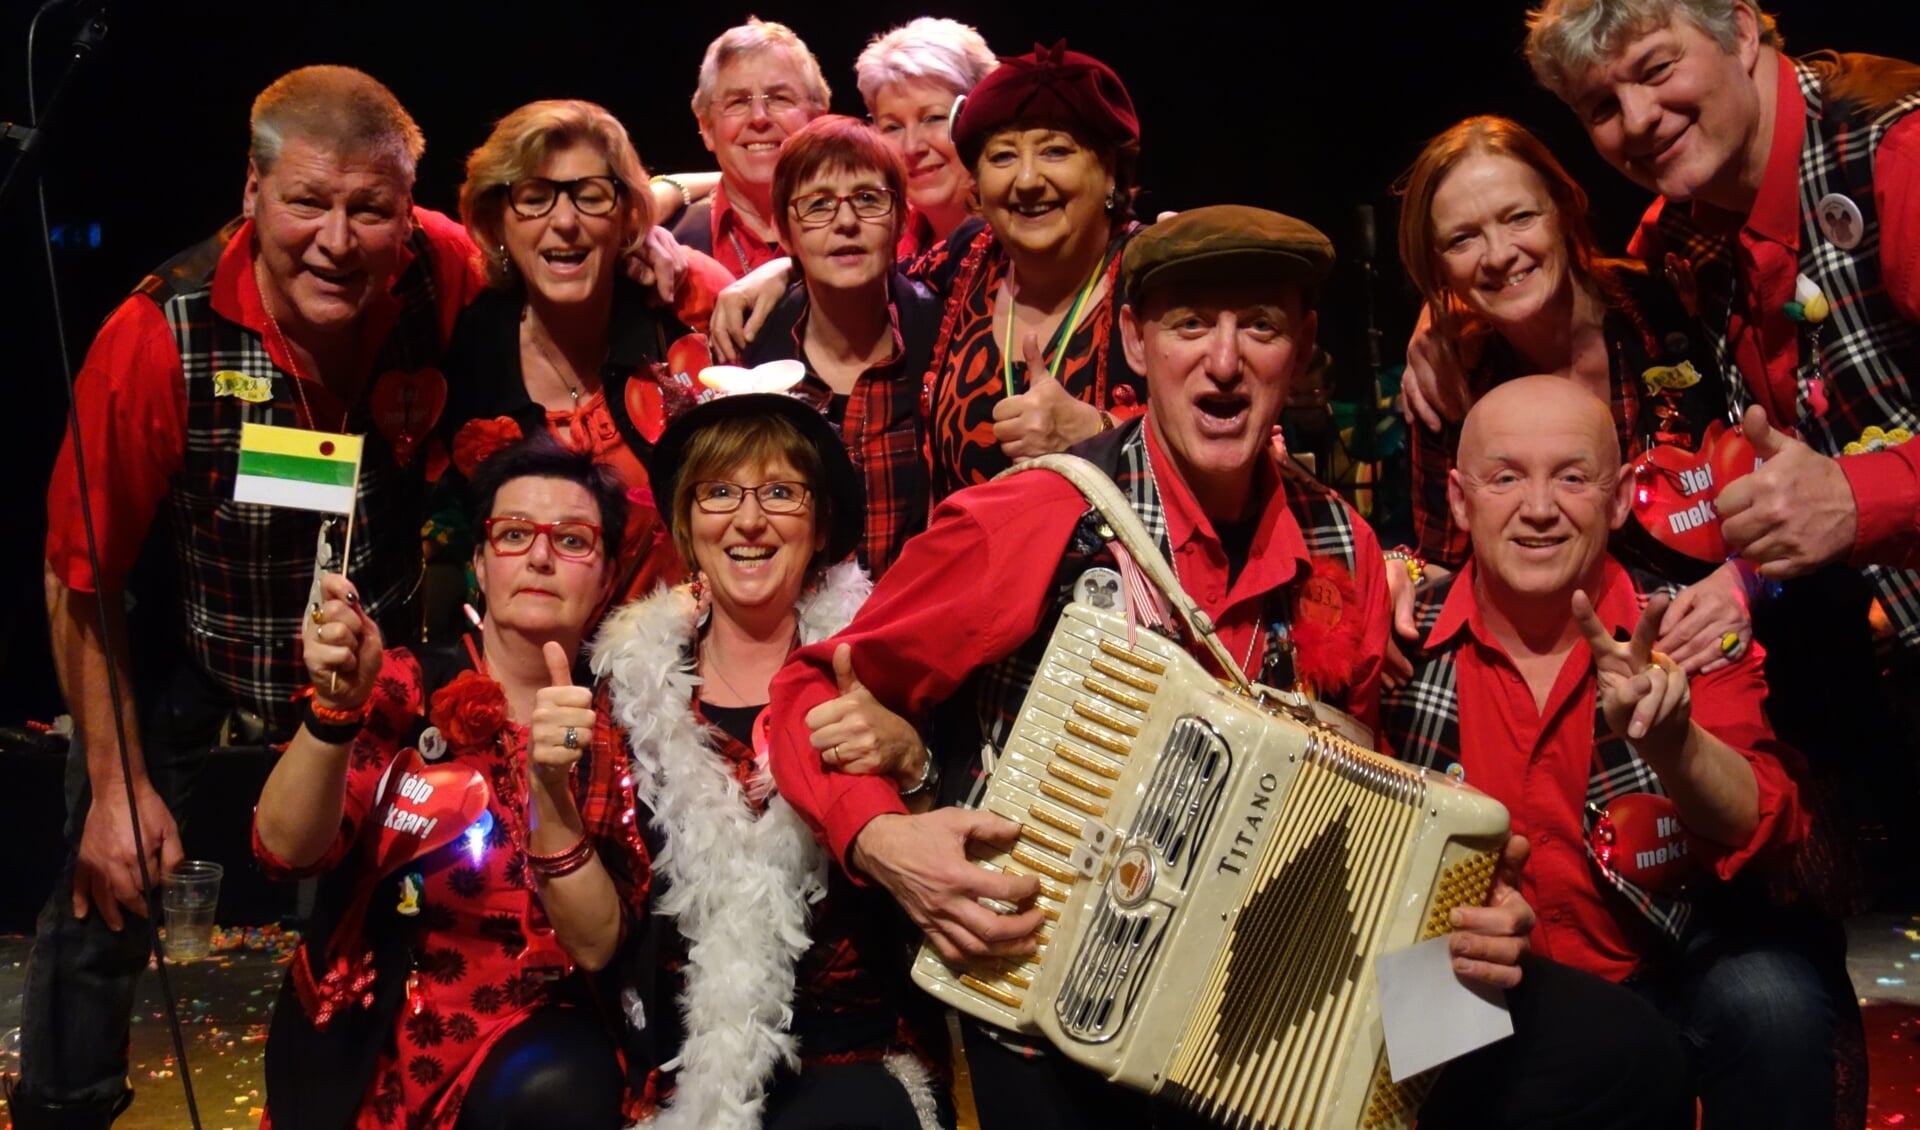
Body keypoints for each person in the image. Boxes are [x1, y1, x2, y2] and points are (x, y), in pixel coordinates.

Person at [767, 206, 1692, 1130]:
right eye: (1189, 325)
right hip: (1064, 1006)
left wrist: (1467, 913)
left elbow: (1385, 810)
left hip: (1293, 1000)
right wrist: (885, 845)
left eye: (1259, 325)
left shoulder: (1346, 542)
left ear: (1301, 347)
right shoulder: (1036, 518)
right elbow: (810, 685)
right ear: (1135, 341)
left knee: (1618, 1052)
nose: (1224, 361)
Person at [19, 65, 486, 1128]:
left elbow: (578, 228)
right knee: (104, 882)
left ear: (406, 211)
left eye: (371, 209)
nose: (338, 238)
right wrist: (113, 782)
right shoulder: (154, 336)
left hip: (374, 651)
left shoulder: (444, 271)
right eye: (307, 202)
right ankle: (59, 1108)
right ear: (252, 193)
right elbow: (75, 574)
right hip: (202, 637)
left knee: (414, 893)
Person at [1381, 374, 1835, 1129]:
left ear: (1621, 495)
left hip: (1666, 968)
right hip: (1477, 980)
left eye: (1571, 477)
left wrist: (1675, 744)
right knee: (1398, 1015)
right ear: (1459, 501)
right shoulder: (1400, 639)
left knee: (1772, 1002)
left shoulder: (1683, 626)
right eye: (1505, 478)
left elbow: (1763, 819)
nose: (1537, 508)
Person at [254, 435, 650, 1129]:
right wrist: (334, 714)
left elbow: (598, 945)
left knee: (563, 1088)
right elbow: (285, 851)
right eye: (514, 533)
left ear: (610, 576)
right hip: (378, 1040)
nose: (538, 557)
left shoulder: (633, 720)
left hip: (546, 1050)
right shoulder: (402, 682)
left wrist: (551, 790)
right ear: (478, 562)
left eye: (574, 540)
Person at [593, 387, 948, 1130]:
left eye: (780, 492)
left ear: (820, 528)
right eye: (719, 492)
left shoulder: (878, 668)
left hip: (853, 1055)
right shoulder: (630, 692)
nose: (748, 520)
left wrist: (912, 764)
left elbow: (944, 877)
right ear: (688, 526)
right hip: (676, 1066)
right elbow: (606, 926)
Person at [1392, 115, 1750, 675]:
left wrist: (1749, 583)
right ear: (1436, 262)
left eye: (1520, 217)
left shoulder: (1673, 310)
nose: (1498, 254)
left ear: (1563, 208)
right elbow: (1443, 563)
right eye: (1462, 238)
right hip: (1573, 685)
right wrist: (1396, 575)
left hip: (1748, 658)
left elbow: (1796, 464)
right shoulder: (1452, 380)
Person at [442, 98, 732, 613]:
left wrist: (776, 277)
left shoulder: (685, 305)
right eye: (534, 197)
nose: (565, 222)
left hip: (688, 666)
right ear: (497, 222)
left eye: (590, 196)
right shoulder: (466, 351)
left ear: (626, 217)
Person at [740, 114, 944, 577]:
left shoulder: (944, 338)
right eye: (817, 205)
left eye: (869, 200)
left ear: (901, 221)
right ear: (784, 231)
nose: (846, 221)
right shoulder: (751, 356)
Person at [672, 18, 832, 278]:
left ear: (817, 120)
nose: (759, 118)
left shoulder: (870, 232)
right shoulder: (665, 244)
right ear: (708, 129)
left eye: (780, 98)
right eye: (737, 101)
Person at [855, 17, 999, 263]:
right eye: (893, 127)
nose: (912, 147)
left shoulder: (1019, 242)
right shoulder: (884, 240)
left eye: (933, 118)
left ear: (982, 116)